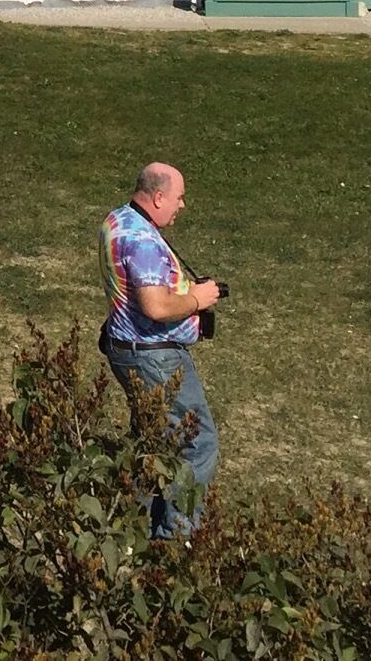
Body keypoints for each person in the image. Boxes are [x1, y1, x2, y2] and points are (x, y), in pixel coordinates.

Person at [98, 160, 221, 538]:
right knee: (196, 440)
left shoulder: (117, 220)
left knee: (151, 438)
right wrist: (198, 299)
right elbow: (156, 306)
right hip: (154, 355)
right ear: (157, 197)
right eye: (179, 198)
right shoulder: (142, 240)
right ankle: (177, 536)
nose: (182, 205)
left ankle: (132, 526)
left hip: (127, 346)